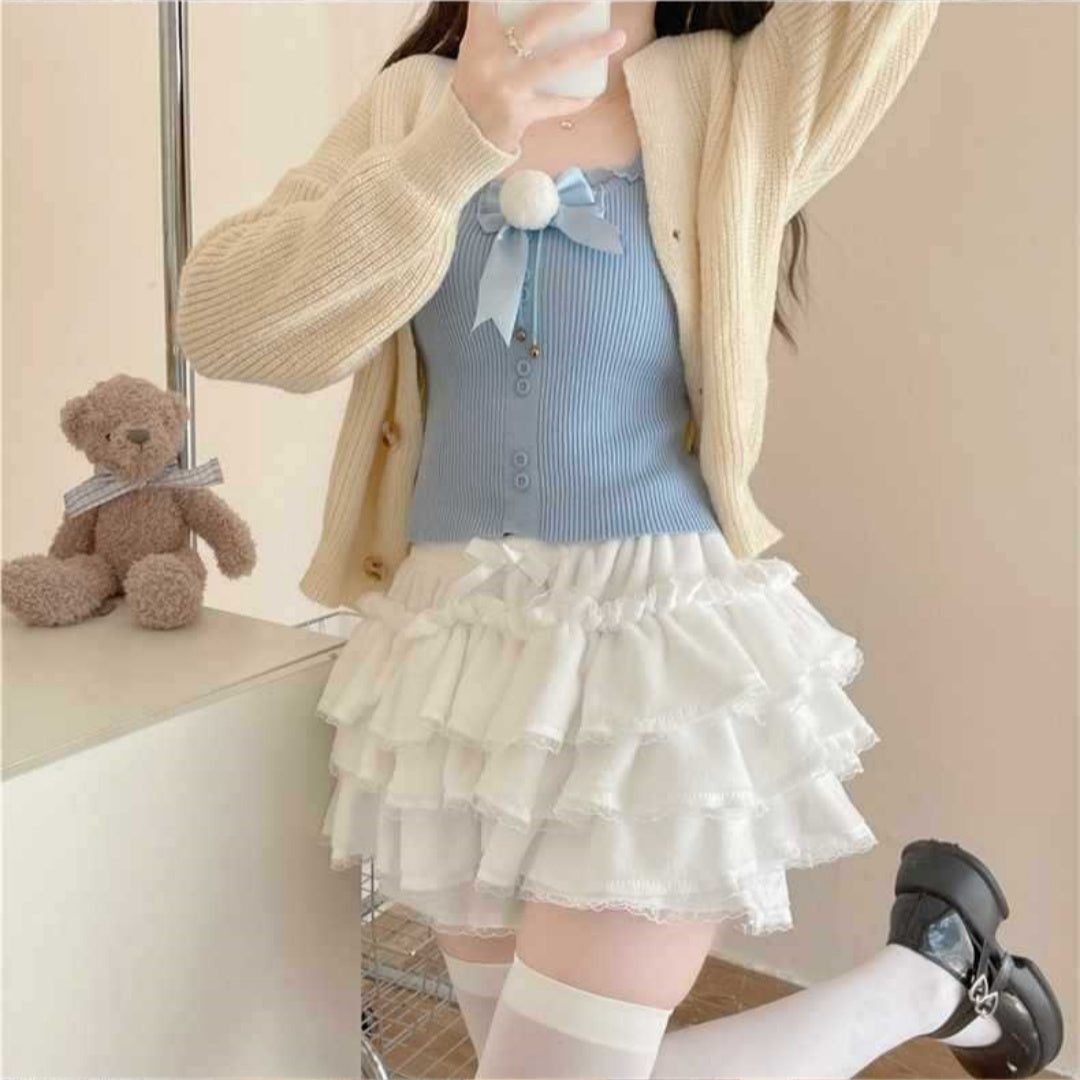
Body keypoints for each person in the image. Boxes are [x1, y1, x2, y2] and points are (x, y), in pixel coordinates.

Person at [174, 3, 1064, 1077]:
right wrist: (460, 139)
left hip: (650, 654)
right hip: (459, 668)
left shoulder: (736, 92)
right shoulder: (414, 105)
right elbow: (222, 319)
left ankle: (916, 986)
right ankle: (932, 972)